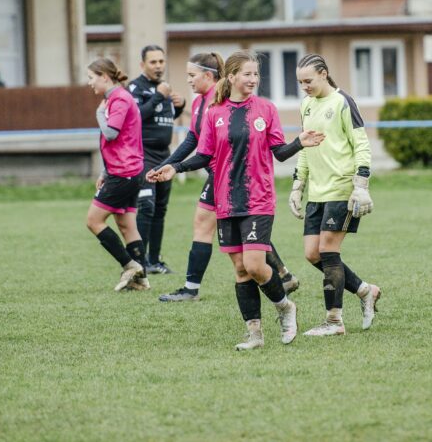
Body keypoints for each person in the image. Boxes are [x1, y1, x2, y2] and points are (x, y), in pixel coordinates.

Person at [148, 50, 324, 350]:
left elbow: (279, 152)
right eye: (247, 74)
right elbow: (204, 155)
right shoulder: (215, 112)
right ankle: (254, 334)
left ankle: (285, 307)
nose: (253, 79)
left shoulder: (266, 109)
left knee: (255, 265)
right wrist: (174, 167)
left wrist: (299, 143)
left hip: (258, 198)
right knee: (241, 269)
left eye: (256, 74)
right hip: (226, 200)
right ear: (231, 77)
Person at [157, 52, 300, 303]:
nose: (188, 80)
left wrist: (172, 166)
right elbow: (193, 141)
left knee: (233, 230)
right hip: (220, 177)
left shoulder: (230, 102)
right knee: (237, 235)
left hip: (232, 178)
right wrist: (170, 165)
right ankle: (282, 274)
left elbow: (274, 149)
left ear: (208, 75)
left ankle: (192, 288)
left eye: (192, 75)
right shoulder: (202, 104)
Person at [289, 53, 382, 336]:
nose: (304, 86)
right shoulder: (306, 105)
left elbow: (361, 144)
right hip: (317, 192)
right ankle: (366, 291)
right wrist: (298, 185)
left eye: (308, 81)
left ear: (323, 73)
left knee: (329, 251)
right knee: (312, 253)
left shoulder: (343, 102)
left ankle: (334, 321)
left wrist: (361, 184)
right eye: (300, 82)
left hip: (342, 188)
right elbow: (305, 147)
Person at [84, 58, 149, 292]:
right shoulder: (117, 97)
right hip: (127, 171)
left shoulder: (119, 99)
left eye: (91, 77)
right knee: (127, 226)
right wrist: (105, 170)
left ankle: (130, 265)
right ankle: (141, 280)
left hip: (123, 173)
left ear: (104, 76)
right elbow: (122, 140)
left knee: (93, 221)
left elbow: (111, 133)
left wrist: (99, 114)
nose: (89, 82)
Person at [128, 45, 186, 274]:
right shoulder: (136, 87)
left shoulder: (164, 88)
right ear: (142, 65)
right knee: (147, 206)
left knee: (160, 208)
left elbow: (163, 117)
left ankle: (154, 261)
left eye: (161, 61)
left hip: (165, 156)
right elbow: (135, 117)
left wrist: (179, 106)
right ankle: (139, 262)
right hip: (144, 155)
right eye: (153, 62)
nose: (158, 66)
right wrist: (159, 96)